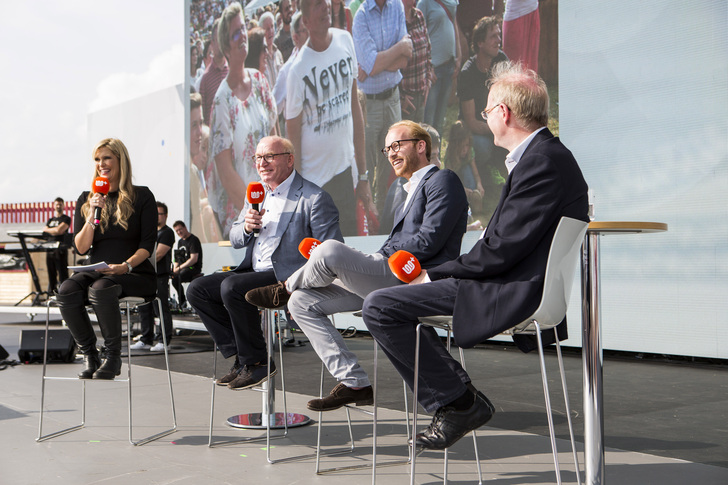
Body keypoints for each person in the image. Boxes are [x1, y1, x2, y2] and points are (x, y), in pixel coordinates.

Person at [361, 62, 589, 451]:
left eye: (485, 111)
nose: (483, 118)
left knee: (379, 306)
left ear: (503, 113)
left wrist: (434, 275)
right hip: (504, 279)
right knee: (386, 303)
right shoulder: (542, 157)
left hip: (509, 288)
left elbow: (499, 250)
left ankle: (459, 402)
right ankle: (457, 400)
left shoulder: (542, 162)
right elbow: (504, 243)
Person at [246, 120, 468, 412]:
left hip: (410, 276)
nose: (390, 153)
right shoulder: (404, 189)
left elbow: (430, 240)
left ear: (421, 145)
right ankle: (354, 383)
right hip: (387, 271)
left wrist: (378, 259)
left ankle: (283, 288)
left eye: (396, 145)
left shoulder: (443, 180)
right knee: (302, 303)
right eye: (387, 148)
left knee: (328, 250)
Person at [187, 136, 343, 390]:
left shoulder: (314, 198)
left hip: (287, 276)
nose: (262, 163)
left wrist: (302, 281)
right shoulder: (256, 194)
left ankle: (258, 362)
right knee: (198, 289)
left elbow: (332, 250)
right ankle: (242, 358)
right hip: (252, 271)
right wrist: (247, 227)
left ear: (289, 159)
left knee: (233, 288)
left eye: (270, 156)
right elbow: (236, 238)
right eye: (258, 157)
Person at [56, 138, 157, 380]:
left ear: (120, 160)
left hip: (134, 272)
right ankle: (90, 354)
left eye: (107, 158)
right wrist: (92, 214)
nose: (102, 164)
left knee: (101, 289)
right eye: (98, 159)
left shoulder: (142, 196)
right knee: (67, 289)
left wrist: (126, 265)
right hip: (99, 270)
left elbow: (147, 245)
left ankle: (113, 356)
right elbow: (80, 248)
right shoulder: (87, 198)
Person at [286, 0, 373, 237]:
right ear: (305, 22)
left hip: (346, 172)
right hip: (316, 185)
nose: (324, 6)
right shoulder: (297, 70)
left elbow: (355, 108)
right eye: (315, 5)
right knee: (325, 261)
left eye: (323, 1)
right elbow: (292, 138)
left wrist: (363, 174)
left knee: (350, 253)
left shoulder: (345, 40)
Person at [207, 3, 277, 239]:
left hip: (274, 206)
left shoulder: (260, 81)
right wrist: (257, 213)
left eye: (243, 29)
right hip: (244, 219)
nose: (242, 37)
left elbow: (276, 138)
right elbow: (226, 175)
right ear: (226, 46)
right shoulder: (221, 101)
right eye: (235, 33)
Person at [353, 0, 412, 215]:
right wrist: (397, 50)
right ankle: (369, 215)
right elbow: (371, 64)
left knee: (394, 162)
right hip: (370, 104)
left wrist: (378, 64)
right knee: (367, 165)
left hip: (392, 98)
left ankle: (387, 212)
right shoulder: (361, 17)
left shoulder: (396, 6)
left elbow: (405, 60)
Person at [458, 16, 509, 216]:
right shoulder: (467, 73)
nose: (499, 40)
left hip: (498, 125)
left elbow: (510, 101)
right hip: (478, 132)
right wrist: (498, 130)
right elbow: (470, 122)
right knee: (483, 147)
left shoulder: (502, 61)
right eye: (493, 36)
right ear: (480, 43)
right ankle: (485, 179)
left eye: (499, 35)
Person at [132, 202, 175, 352]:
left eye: (160, 214)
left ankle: (164, 341)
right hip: (146, 275)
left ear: (166, 216)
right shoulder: (150, 233)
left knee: (161, 309)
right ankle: (146, 339)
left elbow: (159, 254)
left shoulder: (167, 232)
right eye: (154, 214)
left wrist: (136, 262)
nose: (156, 217)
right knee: (144, 308)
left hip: (160, 276)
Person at [418, 0, 462, 136]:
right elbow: (420, 37)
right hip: (434, 70)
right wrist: (427, 66)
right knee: (428, 122)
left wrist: (458, 54)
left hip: (449, 65)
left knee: (440, 122)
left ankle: (436, 156)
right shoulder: (424, 3)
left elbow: (453, 24)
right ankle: (426, 156)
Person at [400, 0, 434, 123]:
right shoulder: (395, 19)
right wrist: (400, 98)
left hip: (421, 93)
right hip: (405, 97)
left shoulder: (419, 16)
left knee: (418, 137)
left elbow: (428, 51)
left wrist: (428, 82)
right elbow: (389, 66)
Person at [273, 11, 309, 117]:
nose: (310, 33)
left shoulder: (319, 57)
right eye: (305, 30)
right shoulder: (287, 70)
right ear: (295, 37)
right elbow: (272, 108)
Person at [445, 120, 485, 214]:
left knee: (468, 172)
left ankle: (474, 201)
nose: (465, 149)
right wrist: (462, 189)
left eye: (467, 145)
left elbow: (476, 174)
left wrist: (479, 184)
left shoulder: (469, 152)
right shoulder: (450, 157)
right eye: (462, 146)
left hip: (466, 179)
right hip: (455, 179)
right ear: (455, 145)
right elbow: (449, 181)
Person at [199, 19, 229, 125]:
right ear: (212, 44)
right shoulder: (205, 79)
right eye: (218, 39)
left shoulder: (232, 71)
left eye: (223, 38)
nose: (221, 43)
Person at [42, 197, 71, 293]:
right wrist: (53, 230)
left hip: (60, 249)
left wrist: (50, 230)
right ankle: (51, 294)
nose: (58, 206)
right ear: (53, 206)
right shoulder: (50, 220)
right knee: (51, 273)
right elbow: (44, 231)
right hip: (49, 249)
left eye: (60, 204)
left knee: (62, 273)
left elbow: (59, 230)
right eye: (57, 204)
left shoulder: (66, 218)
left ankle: (64, 293)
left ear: (63, 205)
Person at [171, 220, 202, 309]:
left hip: (193, 268)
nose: (179, 232)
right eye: (176, 231)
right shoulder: (180, 242)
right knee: (174, 278)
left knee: (178, 278)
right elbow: (177, 258)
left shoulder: (193, 240)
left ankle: (183, 303)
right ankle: (181, 301)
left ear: (185, 228)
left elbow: (193, 259)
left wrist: (179, 268)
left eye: (180, 229)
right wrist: (175, 269)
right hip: (183, 268)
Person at [259, 12, 285, 90]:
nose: (270, 31)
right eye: (267, 29)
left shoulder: (278, 54)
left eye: (272, 27)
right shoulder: (260, 58)